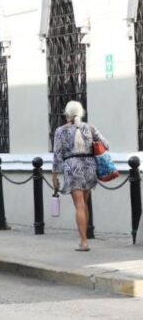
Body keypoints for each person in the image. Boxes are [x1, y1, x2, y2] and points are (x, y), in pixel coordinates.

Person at [51, 100, 109, 252]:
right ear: (81, 113)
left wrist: (54, 175)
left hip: (72, 166)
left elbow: (57, 155)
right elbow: (106, 144)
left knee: (79, 205)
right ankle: (85, 238)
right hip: (90, 166)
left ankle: (83, 242)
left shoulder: (60, 131)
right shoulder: (90, 127)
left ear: (67, 114)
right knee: (84, 203)